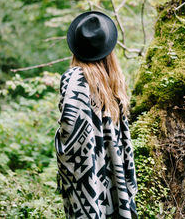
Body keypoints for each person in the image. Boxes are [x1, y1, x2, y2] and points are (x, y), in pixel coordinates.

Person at [55, 11, 138, 219]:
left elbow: (68, 131)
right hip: (114, 172)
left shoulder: (73, 78)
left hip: (88, 180)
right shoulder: (115, 81)